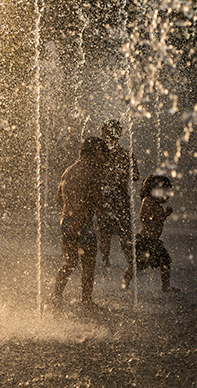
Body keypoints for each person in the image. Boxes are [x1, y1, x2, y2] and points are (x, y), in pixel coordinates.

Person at [52, 136, 107, 311]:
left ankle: (56, 296)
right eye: (103, 153)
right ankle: (86, 300)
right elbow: (98, 199)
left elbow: (59, 198)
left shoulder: (68, 171)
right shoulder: (93, 171)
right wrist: (104, 214)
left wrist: (71, 215)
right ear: (95, 152)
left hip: (67, 222)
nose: (104, 158)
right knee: (89, 263)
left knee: (69, 263)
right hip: (83, 223)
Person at [123, 175, 181, 292]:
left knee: (165, 261)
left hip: (153, 241)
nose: (167, 195)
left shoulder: (156, 203)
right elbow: (146, 217)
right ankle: (124, 284)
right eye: (164, 191)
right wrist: (164, 215)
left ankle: (165, 286)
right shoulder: (147, 201)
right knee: (135, 264)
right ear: (152, 191)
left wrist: (164, 215)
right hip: (144, 240)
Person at [97, 119, 139, 269]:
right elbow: (135, 176)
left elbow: (135, 176)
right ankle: (129, 261)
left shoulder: (100, 156)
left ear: (110, 134)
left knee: (106, 231)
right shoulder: (126, 154)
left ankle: (105, 261)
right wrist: (122, 172)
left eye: (103, 133)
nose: (101, 136)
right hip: (120, 197)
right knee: (123, 231)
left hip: (107, 197)